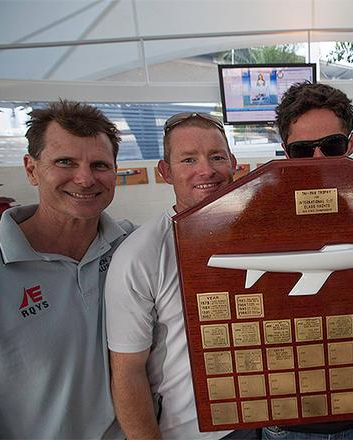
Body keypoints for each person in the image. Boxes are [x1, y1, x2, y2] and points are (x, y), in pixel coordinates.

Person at [0, 100, 133, 438]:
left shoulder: (134, 247)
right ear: (31, 168)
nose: (84, 178)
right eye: (65, 162)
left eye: (99, 165)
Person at [262, 82, 353, 439]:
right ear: (286, 152)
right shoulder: (259, 218)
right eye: (303, 150)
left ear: (351, 143)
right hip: (287, 418)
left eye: (331, 145)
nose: (318, 159)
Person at [105, 112, 243, 439]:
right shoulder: (141, 255)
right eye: (188, 159)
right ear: (165, 171)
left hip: (264, 424)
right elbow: (127, 373)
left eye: (217, 157)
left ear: (233, 163)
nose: (206, 170)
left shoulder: (260, 235)